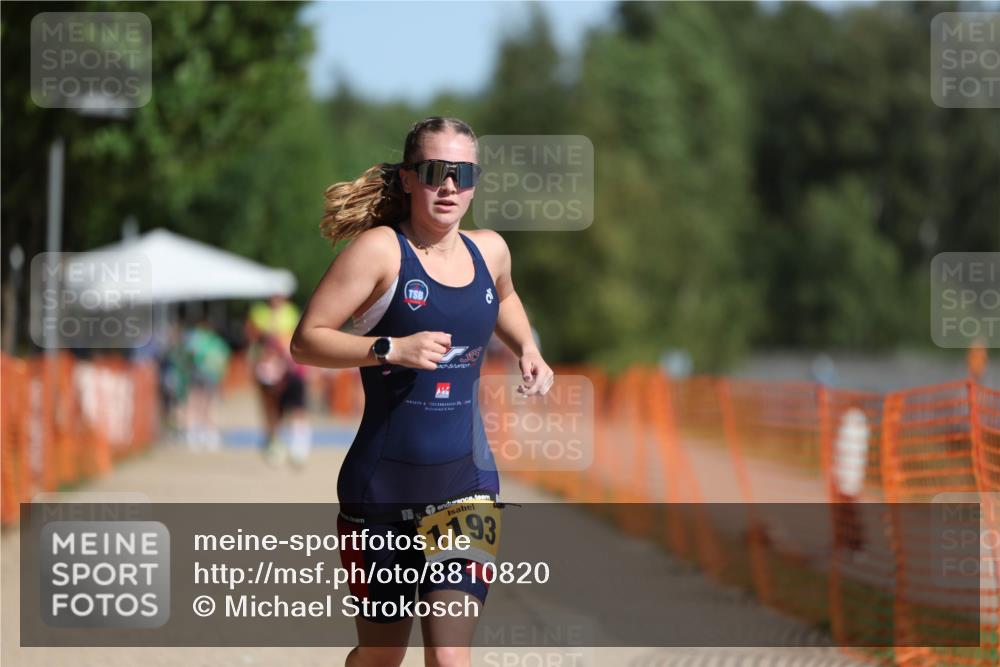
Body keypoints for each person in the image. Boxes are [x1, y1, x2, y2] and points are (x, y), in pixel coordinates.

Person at [291, 117, 554, 667]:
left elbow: (503, 297)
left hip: (467, 485)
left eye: (463, 173)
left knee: (451, 657)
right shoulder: (381, 252)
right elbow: (306, 341)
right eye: (436, 172)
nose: (450, 186)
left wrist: (528, 347)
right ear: (409, 178)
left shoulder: (491, 251)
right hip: (380, 491)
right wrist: (390, 348)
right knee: (383, 657)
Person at [245, 294, 312, 467]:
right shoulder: (260, 313)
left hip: (291, 369)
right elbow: (254, 339)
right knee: (273, 411)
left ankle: (298, 447)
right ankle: (274, 444)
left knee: (298, 408)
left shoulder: (290, 312)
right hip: (270, 370)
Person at [181, 318, 231, 449]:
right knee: (208, 404)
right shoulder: (217, 342)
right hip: (209, 376)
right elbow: (223, 360)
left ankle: (197, 432)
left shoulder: (196, 339)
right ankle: (205, 433)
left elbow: (189, 355)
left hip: (201, 375)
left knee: (198, 403)